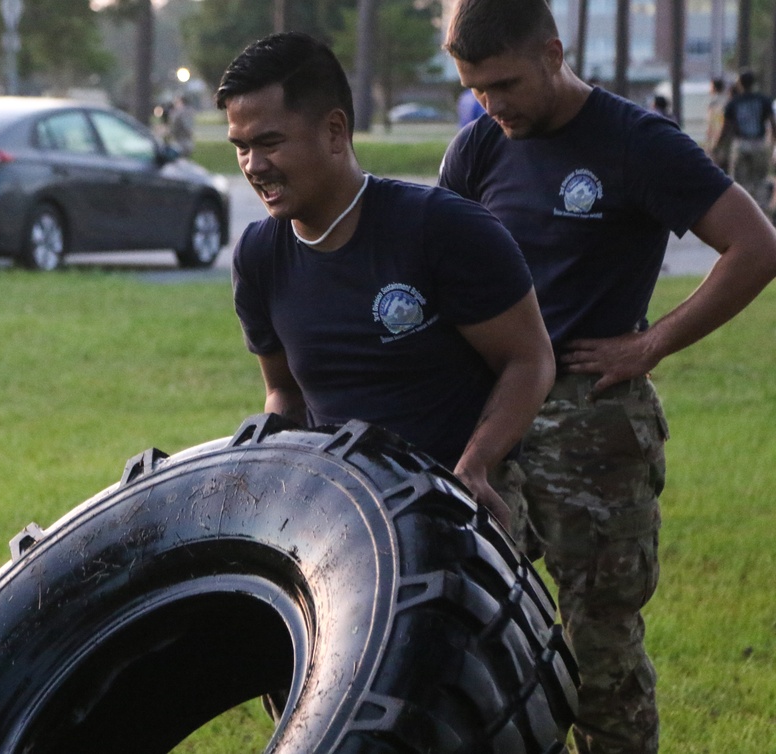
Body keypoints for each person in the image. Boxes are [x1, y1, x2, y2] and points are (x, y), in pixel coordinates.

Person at [438, 1, 776, 752]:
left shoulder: (637, 142)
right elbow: (443, 273)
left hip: (594, 430)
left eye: (506, 84)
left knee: (601, 654)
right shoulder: (477, 150)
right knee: (481, 633)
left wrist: (650, 344)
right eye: (477, 89)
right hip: (492, 423)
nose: (494, 106)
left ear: (554, 52)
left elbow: (755, 245)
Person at [215, 31, 555, 526]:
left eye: (269, 143)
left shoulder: (442, 228)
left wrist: (476, 467)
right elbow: (285, 391)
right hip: (340, 519)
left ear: (334, 131)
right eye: (240, 147)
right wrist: (263, 466)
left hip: (454, 505)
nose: (253, 165)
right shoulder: (259, 255)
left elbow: (529, 358)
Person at [718, 69, 776, 207]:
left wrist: (719, 145)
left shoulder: (733, 103)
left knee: (740, 181)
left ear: (739, 84)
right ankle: (761, 211)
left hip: (741, 144)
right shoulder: (763, 100)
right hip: (759, 144)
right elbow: (772, 123)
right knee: (760, 179)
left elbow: (726, 128)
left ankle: (743, 209)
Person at [704, 76, 729, 166]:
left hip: (715, 136)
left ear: (714, 87)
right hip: (727, 137)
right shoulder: (728, 100)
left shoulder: (713, 102)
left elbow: (711, 122)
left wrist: (709, 140)